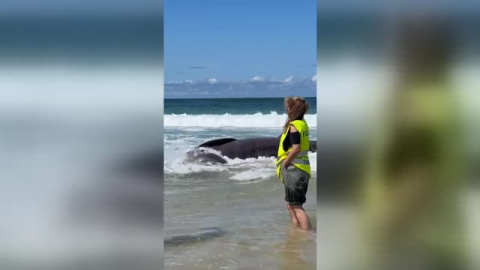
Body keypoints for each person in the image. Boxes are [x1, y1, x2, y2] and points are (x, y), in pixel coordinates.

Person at [276, 96, 312, 231]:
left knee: (296, 206)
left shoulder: (294, 126)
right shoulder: (303, 124)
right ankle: (296, 230)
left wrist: (284, 163)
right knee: (290, 203)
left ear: (292, 109)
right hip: (302, 169)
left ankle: (307, 235)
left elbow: (296, 148)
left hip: (294, 170)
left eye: (288, 107)